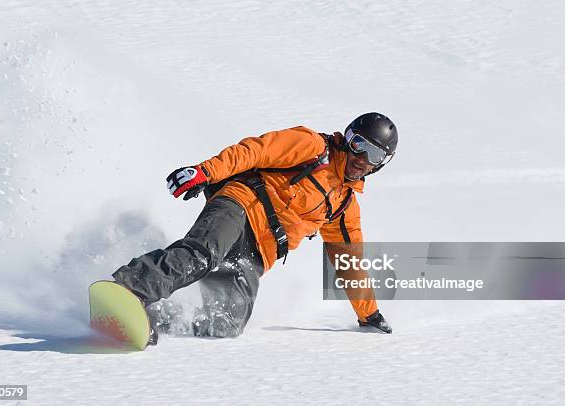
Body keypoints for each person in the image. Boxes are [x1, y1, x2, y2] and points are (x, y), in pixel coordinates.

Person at [112, 112, 398, 344]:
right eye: (359, 145)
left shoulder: (343, 206)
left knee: (226, 323)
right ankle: (130, 289)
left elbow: (350, 263)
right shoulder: (313, 147)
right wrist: (205, 172)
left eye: (375, 155)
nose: (362, 159)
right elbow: (255, 152)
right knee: (203, 254)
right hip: (242, 206)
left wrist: (368, 314)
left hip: (259, 253)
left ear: (381, 164)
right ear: (348, 138)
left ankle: (154, 315)